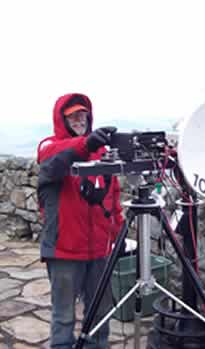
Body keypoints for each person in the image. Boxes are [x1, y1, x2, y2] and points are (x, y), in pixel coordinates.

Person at [37, 93, 124, 349]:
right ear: (61, 119)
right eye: (73, 115)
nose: (79, 119)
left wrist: (117, 236)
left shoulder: (101, 154)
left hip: (99, 251)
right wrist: (84, 146)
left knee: (100, 316)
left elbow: (114, 199)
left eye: (83, 114)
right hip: (64, 250)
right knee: (63, 318)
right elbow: (52, 164)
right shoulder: (49, 147)